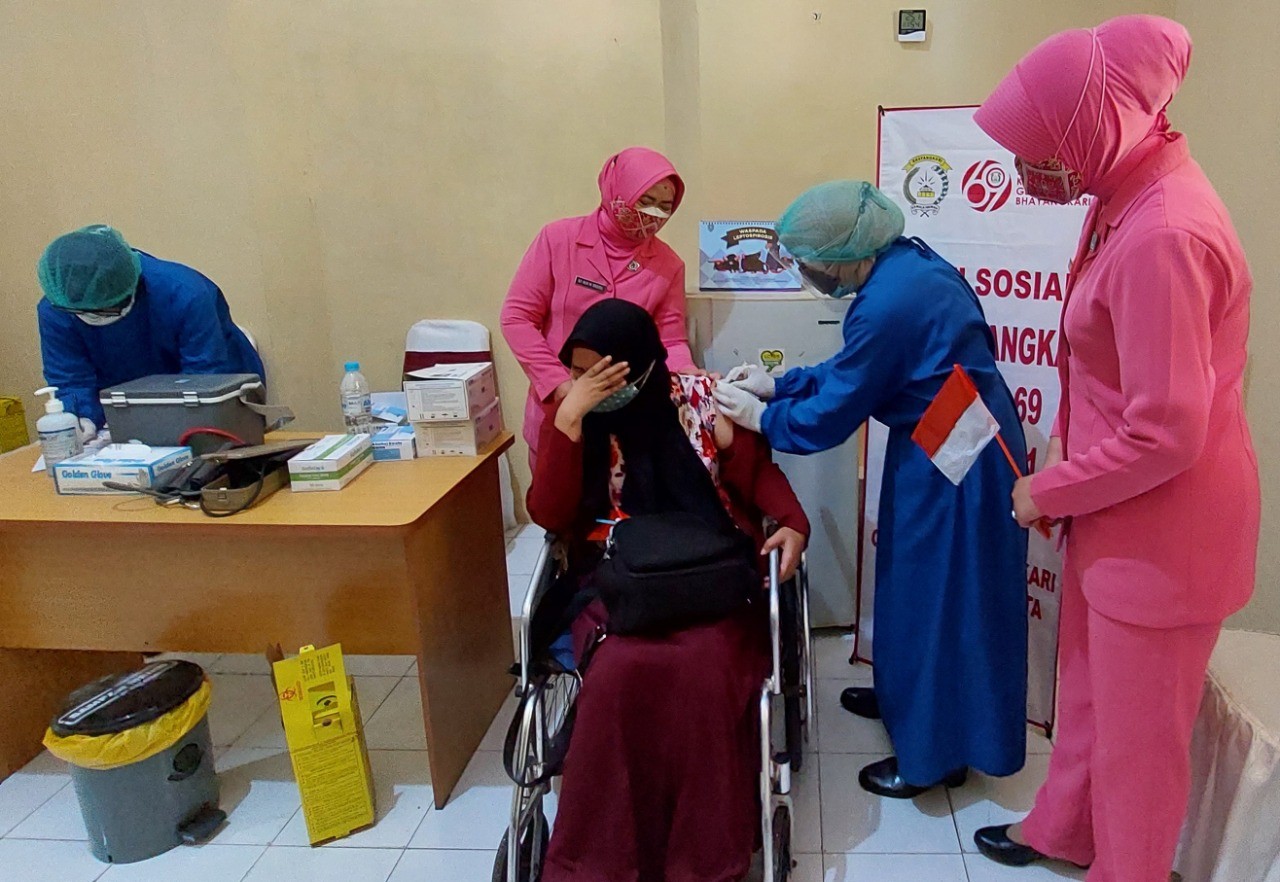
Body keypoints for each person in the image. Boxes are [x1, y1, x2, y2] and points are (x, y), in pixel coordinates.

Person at [970, 16, 1259, 882]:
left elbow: (1169, 431)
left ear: (1089, 132)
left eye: (1035, 157)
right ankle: (1063, 829)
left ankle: (1125, 868)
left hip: (1163, 535)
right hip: (1115, 507)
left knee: (1140, 747)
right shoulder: (1121, 189)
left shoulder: (1164, 234)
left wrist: (1050, 491)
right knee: (1089, 693)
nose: (1023, 179)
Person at [714, 180, 1029, 798]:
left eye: (809, 262)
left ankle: (932, 756)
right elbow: (857, 366)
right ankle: (905, 698)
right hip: (937, 436)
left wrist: (765, 418)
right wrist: (783, 383)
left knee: (944, 601)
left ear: (843, 252)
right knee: (910, 584)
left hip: (962, 454)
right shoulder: (900, 266)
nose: (807, 273)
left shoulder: (889, 302)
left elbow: (838, 409)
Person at [528, 299, 809, 882]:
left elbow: (757, 476)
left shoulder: (698, 403)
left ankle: (702, 863)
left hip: (708, 580)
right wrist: (570, 417)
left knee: (704, 673)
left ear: (642, 365)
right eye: (579, 373)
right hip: (617, 585)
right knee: (616, 678)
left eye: (605, 373)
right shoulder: (573, 417)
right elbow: (549, 512)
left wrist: (792, 521)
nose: (590, 385)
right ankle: (601, 864)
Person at [501, 147, 699, 467]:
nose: (653, 216)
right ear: (616, 189)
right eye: (645, 201)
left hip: (629, 417)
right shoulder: (558, 240)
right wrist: (560, 385)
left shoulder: (669, 265)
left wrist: (691, 380)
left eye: (665, 207)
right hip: (559, 407)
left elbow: (671, 340)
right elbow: (517, 318)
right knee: (556, 509)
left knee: (623, 511)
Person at [36, 225, 264, 435]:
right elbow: (69, 378)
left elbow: (205, 374)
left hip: (210, 398)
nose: (92, 316)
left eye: (106, 311)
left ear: (130, 288)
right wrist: (81, 419)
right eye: (82, 312)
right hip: (124, 418)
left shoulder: (185, 293)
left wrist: (167, 425)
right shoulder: (58, 307)